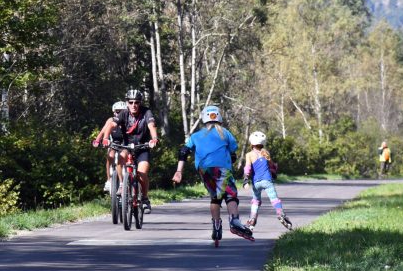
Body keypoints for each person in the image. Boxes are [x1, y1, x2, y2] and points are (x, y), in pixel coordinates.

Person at [172, 105, 254, 242]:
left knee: (215, 196)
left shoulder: (196, 136)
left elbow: (183, 152)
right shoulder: (225, 133)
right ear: (219, 119)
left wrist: (179, 171)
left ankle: (216, 224)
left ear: (204, 119)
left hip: (204, 170)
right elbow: (234, 149)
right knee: (230, 194)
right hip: (222, 168)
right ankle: (234, 221)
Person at [100, 89, 159, 213]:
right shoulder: (123, 114)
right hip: (127, 146)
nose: (134, 105)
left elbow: (151, 125)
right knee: (120, 157)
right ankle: (122, 184)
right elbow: (111, 125)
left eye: (136, 102)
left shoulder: (146, 112)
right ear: (127, 103)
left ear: (140, 103)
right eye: (131, 102)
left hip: (142, 147)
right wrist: (105, 138)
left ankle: (144, 199)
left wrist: (154, 138)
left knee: (142, 174)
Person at [242, 131, 292, 230]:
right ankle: (280, 214)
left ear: (251, 143)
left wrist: (246, 179)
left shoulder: (249, 154)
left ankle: (252, 220)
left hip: (256, 182)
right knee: (274, 199)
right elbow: (272, 166)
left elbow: (247, 167)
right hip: (267, 181)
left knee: (255, 201)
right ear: (263, 143)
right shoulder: (266, 153)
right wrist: (274, 171)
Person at [92, 101, 127, 192]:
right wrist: (97, 140)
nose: (119, 113)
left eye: (122, 111)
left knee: (124, 157)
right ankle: (108, 180)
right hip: (114, 143)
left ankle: (125, 182)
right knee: (110, 156)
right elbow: (103, 130)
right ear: (114, 112)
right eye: (117, 111)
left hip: (125, 143)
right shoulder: (111, 120)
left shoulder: (128, 120)